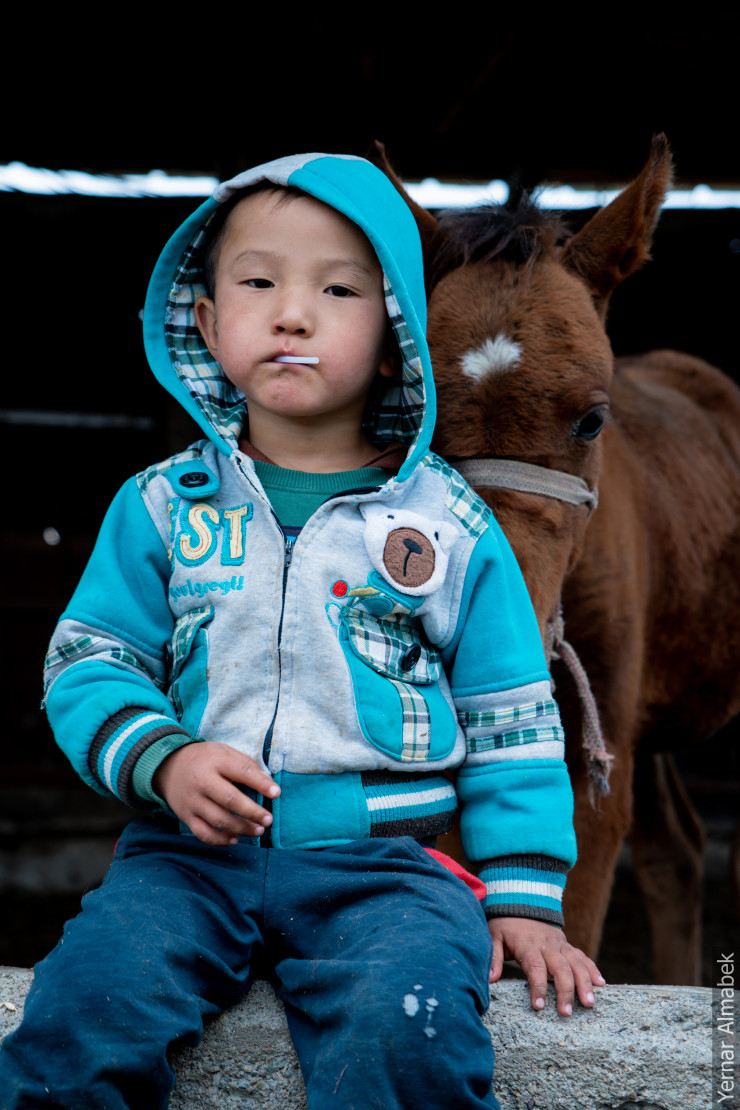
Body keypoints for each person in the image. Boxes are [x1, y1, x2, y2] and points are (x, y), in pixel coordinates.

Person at [0, 153, 603, 1109]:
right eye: (258, 283)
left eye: (337, 290)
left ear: (397, 335)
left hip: (389, 877)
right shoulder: (161, 505)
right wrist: (163, 760)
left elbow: (511, 719)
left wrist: (525, 897)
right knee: (85, 1011)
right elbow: (89, 658)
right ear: (207, 323)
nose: (291, 314)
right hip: (184, 864)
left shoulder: (449, 525)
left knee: (411, 1030)